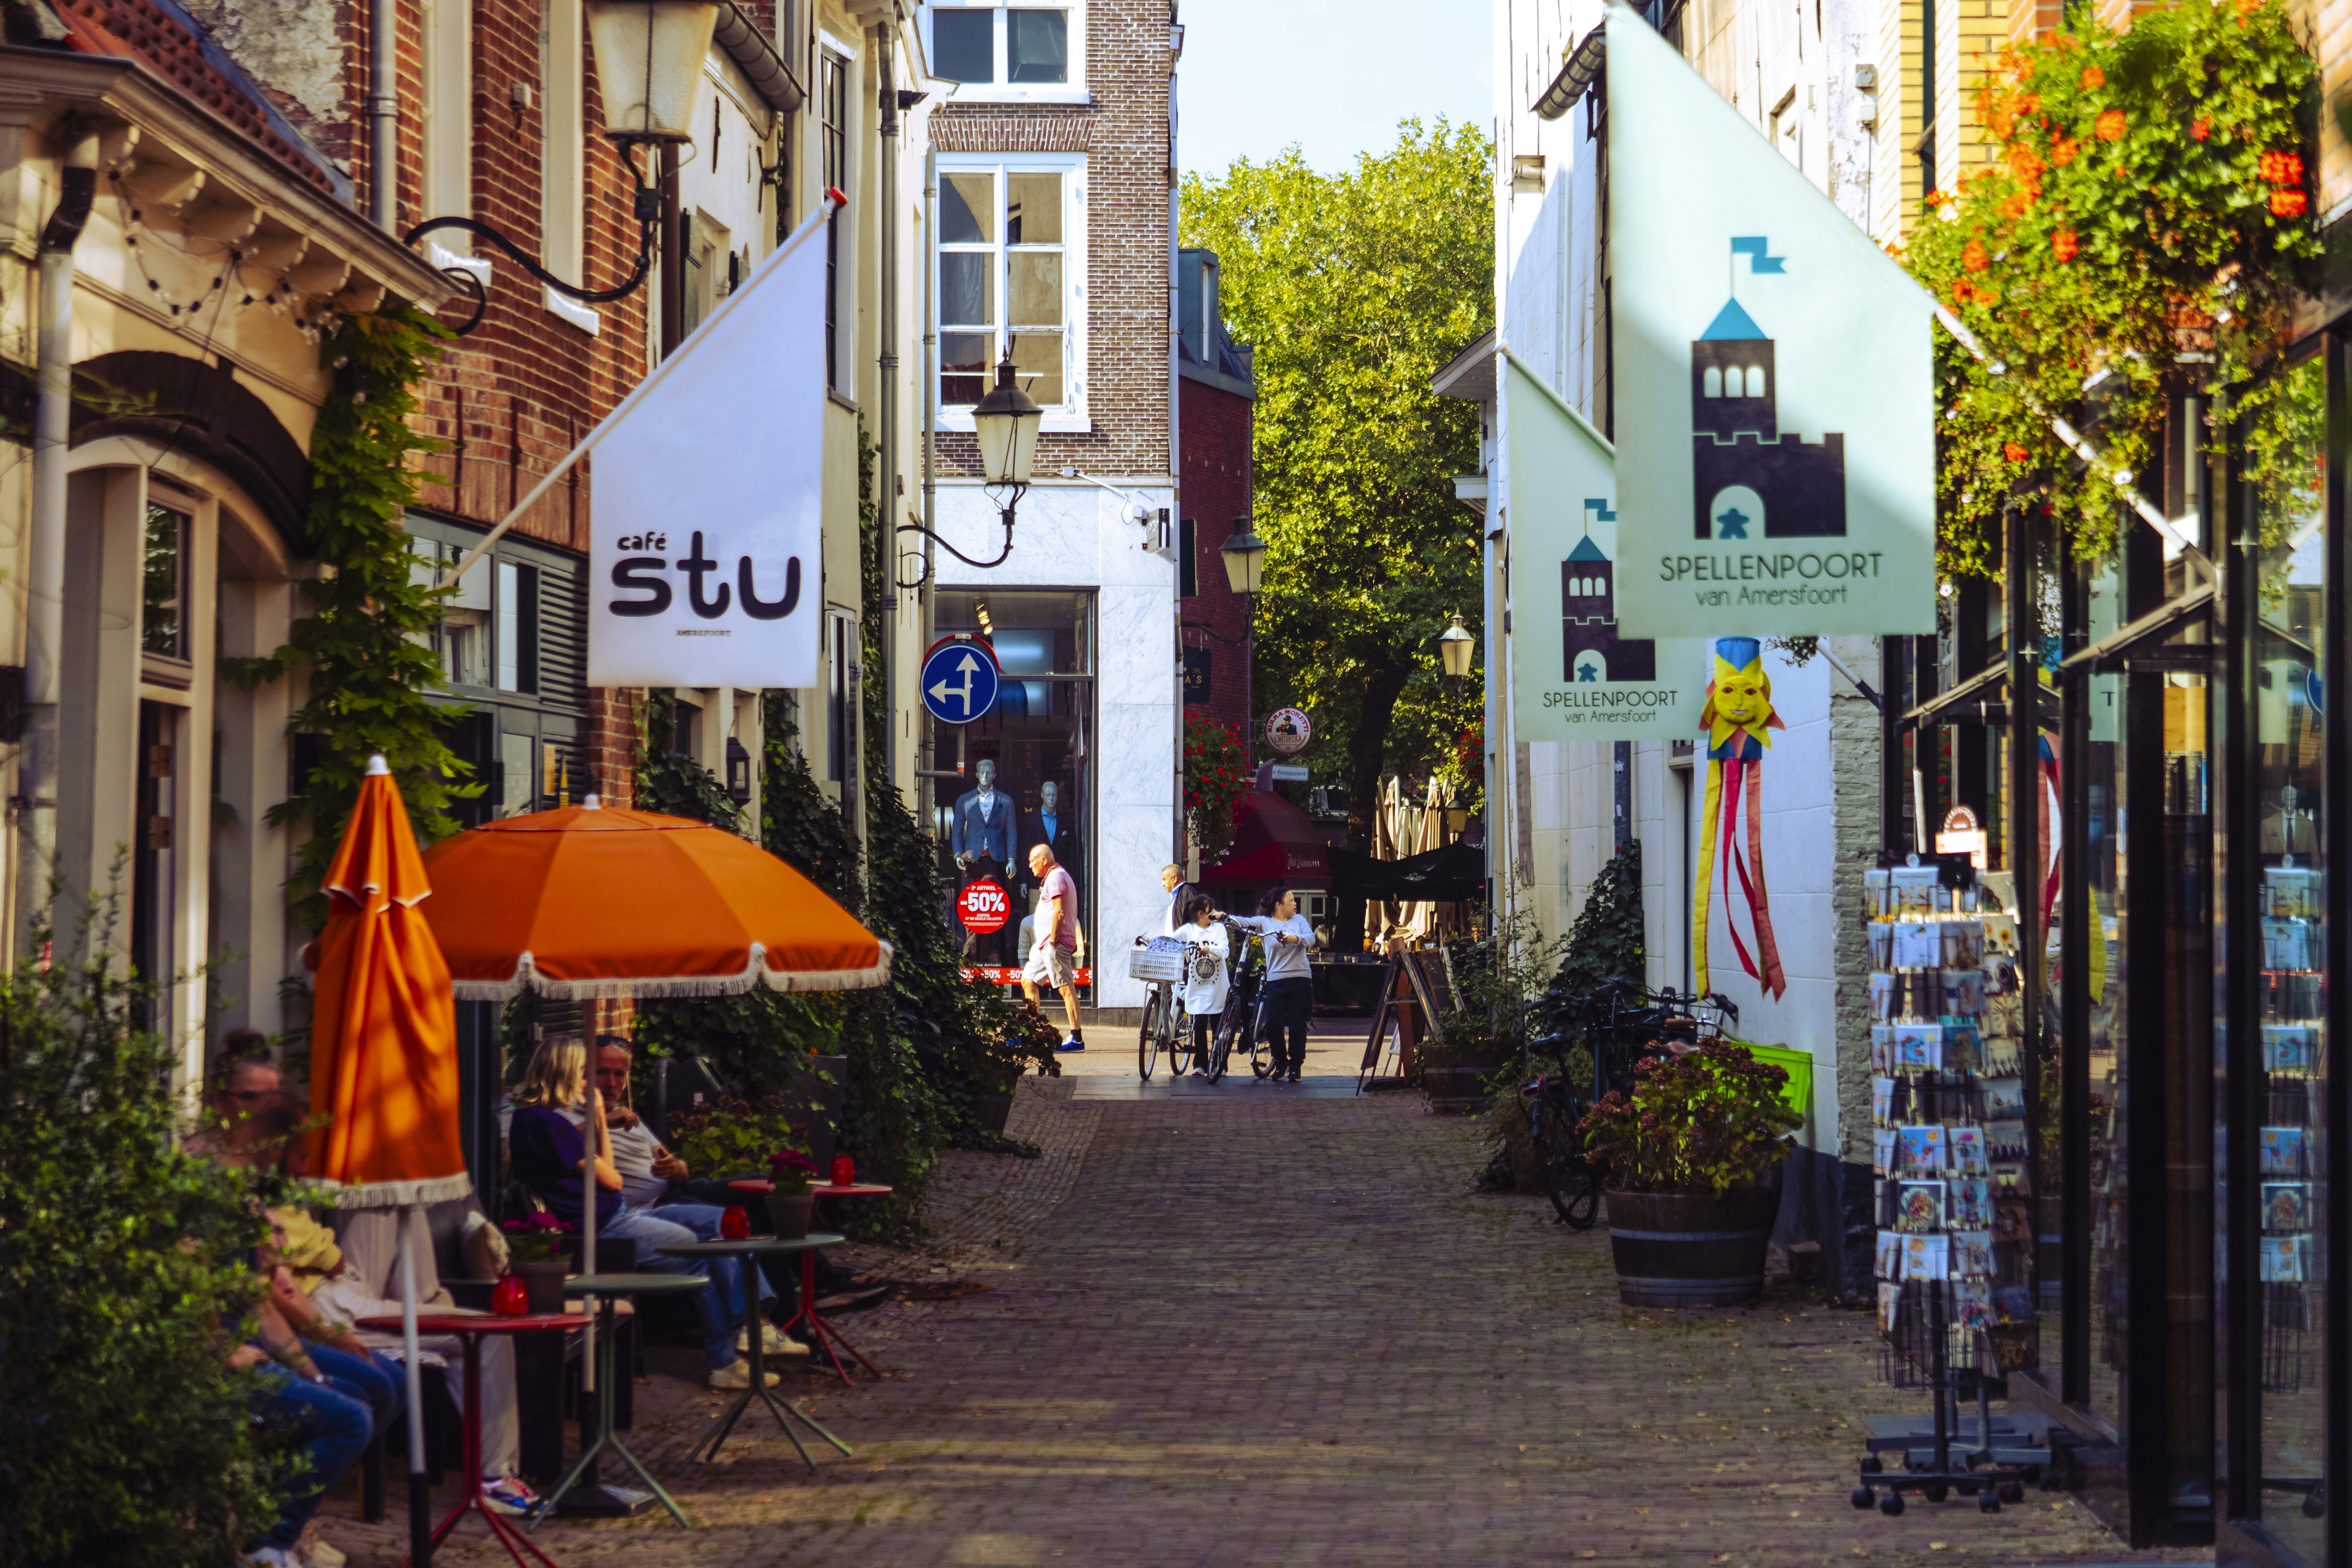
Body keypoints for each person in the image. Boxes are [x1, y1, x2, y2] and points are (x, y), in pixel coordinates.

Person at [508, 1036, 782, 1388]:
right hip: (602, 1228)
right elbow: (612, 1178)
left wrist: (601, 1121)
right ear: (563, 1074)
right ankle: (725, 1360)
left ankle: (748, 1324)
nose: (588, 1083)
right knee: (704, 1252)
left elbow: (589, 1159)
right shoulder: (545, 1122)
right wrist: (600, 1121)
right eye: (583, 1074)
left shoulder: (541, 1121)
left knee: (721, 1223)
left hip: (620, 1215)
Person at [1227, 887, 1320, 1082]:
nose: (1296, 904)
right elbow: (1244, 922)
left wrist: (1297, 939)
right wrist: (1225, 917)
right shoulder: (1265, 922)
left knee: (1297, 1026)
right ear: (1279, 905)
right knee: (1273, 1026)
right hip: (1276, 981)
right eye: (1291, 901)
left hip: (1301, 979)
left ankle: (1295, 1067)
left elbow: (1311, 939)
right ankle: (1280, 1061)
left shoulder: (1299, 921)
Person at [1022, 843, 1086, 1050]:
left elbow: (1059, 912)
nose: (1030, 865)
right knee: (1028, 981)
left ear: (1044, 860)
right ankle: (1030, 1034)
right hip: (1045, 946)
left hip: (1053, 945)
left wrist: (1053, 941)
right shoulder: (1052, 877)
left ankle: (1077, 1039)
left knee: (1066, 989)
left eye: (1033, 861)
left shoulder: (1057, 877)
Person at [1173, 893, 1229, 1075]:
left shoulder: (1219, 929)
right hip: (1198, 988)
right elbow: (1171, 941)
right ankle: (1200, 1065)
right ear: (1200, 915)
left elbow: (1225, 951)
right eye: (1210, 911)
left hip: (1217, 987)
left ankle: (1220, 1064)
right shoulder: (1188, 931)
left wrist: (1210, 950)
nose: (1214, 914)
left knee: (1218, 1027)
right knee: (1199, 1026)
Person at [1159, 863, 1192, 936]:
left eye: (1165, 880)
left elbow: (1197, 918)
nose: (1163, 884)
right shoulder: (1178, 894)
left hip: (1182, 944)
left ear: (1174, 879)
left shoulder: (1187, 893)